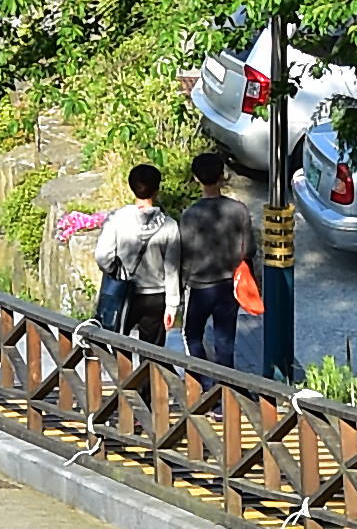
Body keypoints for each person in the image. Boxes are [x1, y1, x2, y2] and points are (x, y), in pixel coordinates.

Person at [170, 147, 260, 366]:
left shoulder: (190, 214)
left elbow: (184, 256)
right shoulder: (239, 209)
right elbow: (249, 250)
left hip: (199, 287)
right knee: (225, 340)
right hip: (229, 284)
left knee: (192, 335)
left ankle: (202, 379)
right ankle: (225, 382)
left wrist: (180, 287)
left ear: (196, 178)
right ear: (222, 176)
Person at [88, 161, 181, 344]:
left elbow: (102, 256)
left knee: (116, 345)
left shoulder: (116, 219)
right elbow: (172, 269)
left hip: (123, 292)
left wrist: (115, 270)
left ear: (131, 187)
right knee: (153, 353)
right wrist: (172, 306)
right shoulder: (169, 225)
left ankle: (123, 365)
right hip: (156, 296)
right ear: (157, 190)